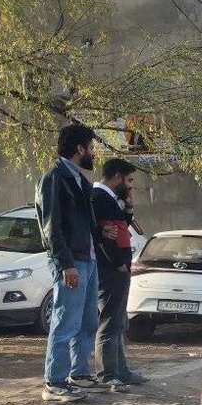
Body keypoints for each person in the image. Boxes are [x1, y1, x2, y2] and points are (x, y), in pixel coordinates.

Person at [35, 124, 113, 402]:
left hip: (87, 260)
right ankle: (54, 382)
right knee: (66, 321)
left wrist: (99, 234)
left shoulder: (80, 180)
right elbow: (51, 227)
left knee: (88, 321)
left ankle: (79, 375)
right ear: (79, 148)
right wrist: (65, 264)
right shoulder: (55, 178)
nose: (93, 153)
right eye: (91, 148)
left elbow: (82, 223)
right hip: (71, 262)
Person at [91, 158, 148, 387]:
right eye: (129, 180)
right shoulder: (99, 198)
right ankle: (107, 374)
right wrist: (118, 264)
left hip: (119, 269)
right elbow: (107, 238)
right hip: (111, 271)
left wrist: (129, 207)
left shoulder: (110, 199)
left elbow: (121, 226)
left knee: (119, 322)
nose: (131, 186)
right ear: (117, 177)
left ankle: (121, 371)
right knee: (109, 322)